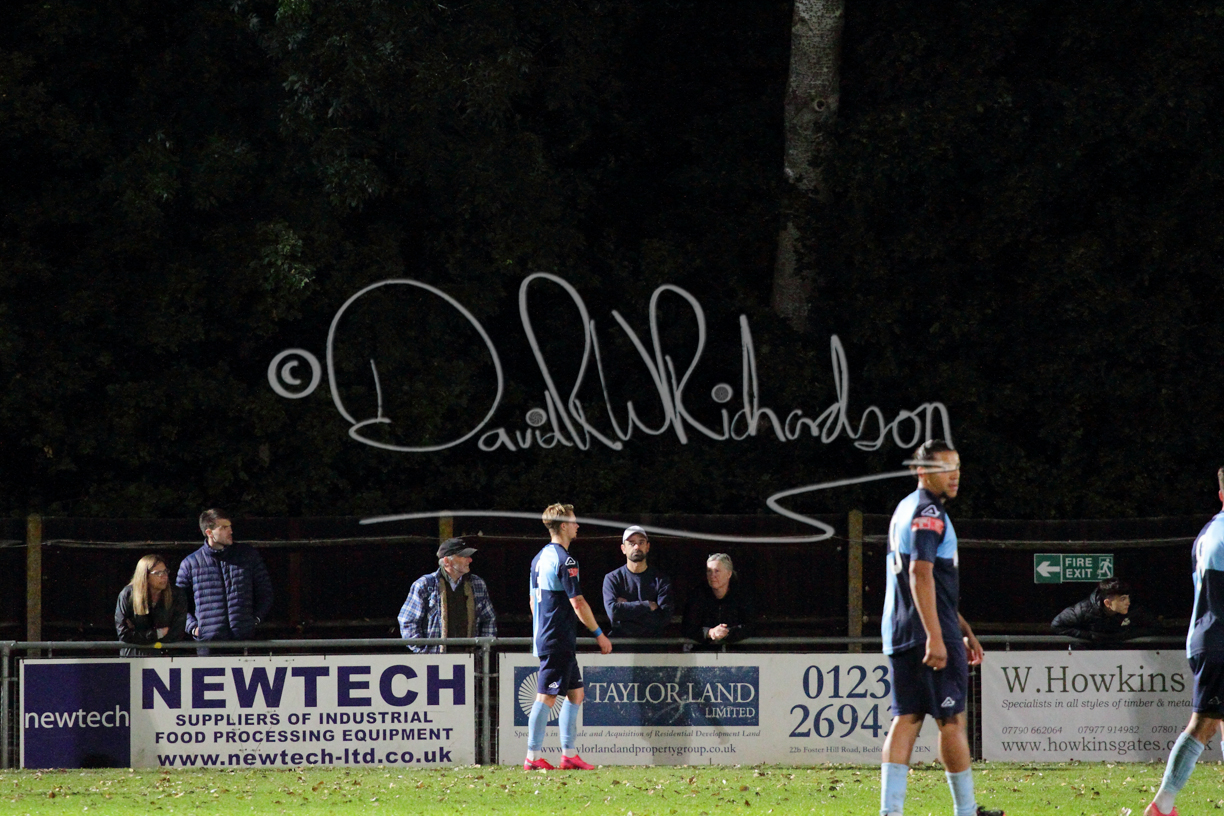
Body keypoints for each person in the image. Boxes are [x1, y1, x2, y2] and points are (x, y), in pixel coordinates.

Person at [879, 440, 1002, 816]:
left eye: (957, 466)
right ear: (922, 472)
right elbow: (920, 573)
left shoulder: (905, 507)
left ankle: (890, 811)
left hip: (899, 629)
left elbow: (929, 582)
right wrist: (937, 634)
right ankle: (965, 811)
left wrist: (961, 626)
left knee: (907, 717)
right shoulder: (929, 511)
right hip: (927, 631)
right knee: (951, 720)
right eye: (945, 468)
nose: (954, 475)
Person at [1143, 468, 1224, 816]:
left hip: (1206, 635)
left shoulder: (1208, 532)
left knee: (1214, 721)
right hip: (1219, 638)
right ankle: (1162, 805)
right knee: (1203, 722)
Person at [523, 503, 612, 771]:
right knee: (546, 697)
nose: (577, 526)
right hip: (557, 638)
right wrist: (599, 634)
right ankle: (532, 757)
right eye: (573, 521)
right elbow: (578, 602)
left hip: (551, 636)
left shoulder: (538, 558)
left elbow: (532, 601)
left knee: (576, 694)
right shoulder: (565, 560)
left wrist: (542, 628)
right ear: (563, 526)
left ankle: (569, 755)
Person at [176, 509, 273, 644]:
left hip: (244, 640)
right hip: (209, 644)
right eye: (224, 527)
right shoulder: (190, 564)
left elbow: (265, 592)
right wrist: (194, 628)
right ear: (209, 533)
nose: (230, 531)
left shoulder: (247, 556)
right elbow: (177, 604)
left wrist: (254, 621)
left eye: (230, 526)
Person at [398, 537, 498, 653]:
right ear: (446, 561)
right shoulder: (425, 585)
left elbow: (489, 619)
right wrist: (424, 652)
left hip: (469, 658)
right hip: (435, 660)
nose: (470, 560)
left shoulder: (477, 584)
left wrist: (483, 650)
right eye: (464, 556)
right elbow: (408, 622)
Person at [602, 525, 673, 640]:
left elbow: (664, 618)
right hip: (621, 645)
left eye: (641, 542)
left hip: (652, 645)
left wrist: (625, 609)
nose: (637, 547)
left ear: (647, 547)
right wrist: (648, 605)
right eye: (631, 543)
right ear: (623, 549)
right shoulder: (612, 578)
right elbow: (613, 612)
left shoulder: (661, 580)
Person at [115, 554, 188, 656]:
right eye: (158, 573)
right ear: (145, 576)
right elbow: (123, 633)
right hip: (134, 657)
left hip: (165, 656)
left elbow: (177, 633)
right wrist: (158, 633)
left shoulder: (176, 595)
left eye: (165, 571)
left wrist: (140, 635)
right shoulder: (127, 595)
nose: (164, 576)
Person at [682, 552, 756, 648]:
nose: (712, 575)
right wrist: (709, 632)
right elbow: (688, 627)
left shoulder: (741, 595)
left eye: (717, 571)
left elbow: (750, 626)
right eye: (709, 571)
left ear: (729, 574)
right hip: (704, 652)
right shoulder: (698, 595)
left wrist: (727, 632)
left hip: (736, 652)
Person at [1051, 578, 1158, 642]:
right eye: (1122, 599)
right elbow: (1056, 625)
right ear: (1107, 603)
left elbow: (1154, 626)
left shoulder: (1133, 609)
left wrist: (1124, 635)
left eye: (1128, 597)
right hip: (1085, 657)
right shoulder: (1083, 609)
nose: (1128, 602)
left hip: (1118, 658)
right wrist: (1091, 636)